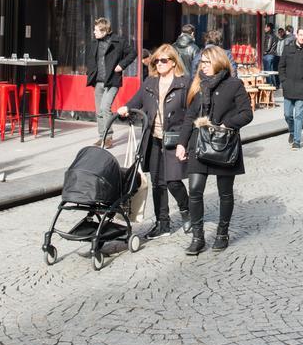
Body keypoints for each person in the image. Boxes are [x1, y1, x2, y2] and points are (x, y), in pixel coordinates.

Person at [180, 46, 253, 255]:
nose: (203, 66)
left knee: (225, 192)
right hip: (199, 142)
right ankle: (198, 237)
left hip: (224, 145)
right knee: (194, 189)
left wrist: (225, 124)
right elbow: (189, 117)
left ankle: (222, 233)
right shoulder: (198, 85)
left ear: (219, 62)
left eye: (207, 62)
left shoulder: (234, 84)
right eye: (201, 62)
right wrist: (181, 143)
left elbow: (247, 114)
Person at [118, 44, 190, 238]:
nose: (159, 63)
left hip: (175, 139)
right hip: (153, 139)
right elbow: (136, 101)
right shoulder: (150, 83)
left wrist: (186, 141)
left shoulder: (184, 83)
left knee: (173, 181)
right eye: (156, 60)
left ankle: (187, 210)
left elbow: (192, 114)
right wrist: (125, 108)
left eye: (163, 60)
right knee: (158, 184)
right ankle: (162, 224)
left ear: (173, 63)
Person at [86, 17, 136, 148]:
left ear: (104, 31)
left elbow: (133, 52)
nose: (94, 32)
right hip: (98, 81)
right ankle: (102, 136)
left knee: (104, 108)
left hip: (112, 80)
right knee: (99, 111)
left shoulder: (118, 41)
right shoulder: (94, 43)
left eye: (96, 30)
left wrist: (122, 65)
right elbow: (92, 60)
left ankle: (108, 137)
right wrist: (90, 72)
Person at [279, 26, 303, 149]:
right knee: (287, 114)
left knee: (298, 116)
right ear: (296, 35)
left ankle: (297, 140)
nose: (302, 37)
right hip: (288, 86)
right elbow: (281, 67)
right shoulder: (287, 48)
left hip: (302, 88)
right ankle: (292, 131)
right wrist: (283, 81)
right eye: (300, 35)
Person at [262, 23, 279, 87]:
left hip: (268, 55)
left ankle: (269, 85)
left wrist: (264, 52)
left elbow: (268, 47)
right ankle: (274, 85)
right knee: (271, 71)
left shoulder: (269, 35)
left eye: (265, 27)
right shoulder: (274, 35)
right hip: (272, 55)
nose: (264, 28)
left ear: (268, 28)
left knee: (267, 71)